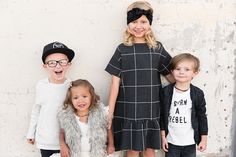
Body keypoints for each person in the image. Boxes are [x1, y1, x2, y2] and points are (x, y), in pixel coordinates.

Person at [105, 1, 174, 157]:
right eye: (134, 21)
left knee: (150, 149)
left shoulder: (157, 48)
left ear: (149, 23)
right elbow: (115, 83)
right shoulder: (122, 49)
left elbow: (171, 75)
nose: (138, 26)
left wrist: (184, 88)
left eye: (143, 21)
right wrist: (110, 111)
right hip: (130, 108)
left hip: (151, 108)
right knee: (132, 150)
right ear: (128, 24)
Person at [26, 41, 75, 157]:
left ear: (69, 64)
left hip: (67, 142)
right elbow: (36, 110)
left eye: (62, 62)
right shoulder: (41, 85)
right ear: (45, 66)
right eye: (52, 63)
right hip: (46, 141)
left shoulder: (72, 86)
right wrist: (30, 133)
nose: (58, 66)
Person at [160, 53, 208, 157]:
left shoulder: (197, 94)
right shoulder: (166, 92)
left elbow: (202, 117)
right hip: (171, 142)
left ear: (195, 73)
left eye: (187, 69)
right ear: (172, 72)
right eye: (178, 69)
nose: (181, 72)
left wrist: (203, 139)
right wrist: (163, 137)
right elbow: (162, 116)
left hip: (190, 142)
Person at [57, 79, 115, 157]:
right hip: (76, 154)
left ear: (91, 97)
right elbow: (62, 132)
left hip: (96, 154)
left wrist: (111, 144)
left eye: (84, 96)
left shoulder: (100, 114)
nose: (80, 100)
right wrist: (62, 145)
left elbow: (109, 128)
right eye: (75, 98)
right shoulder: (68, 118)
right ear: (70, 101)